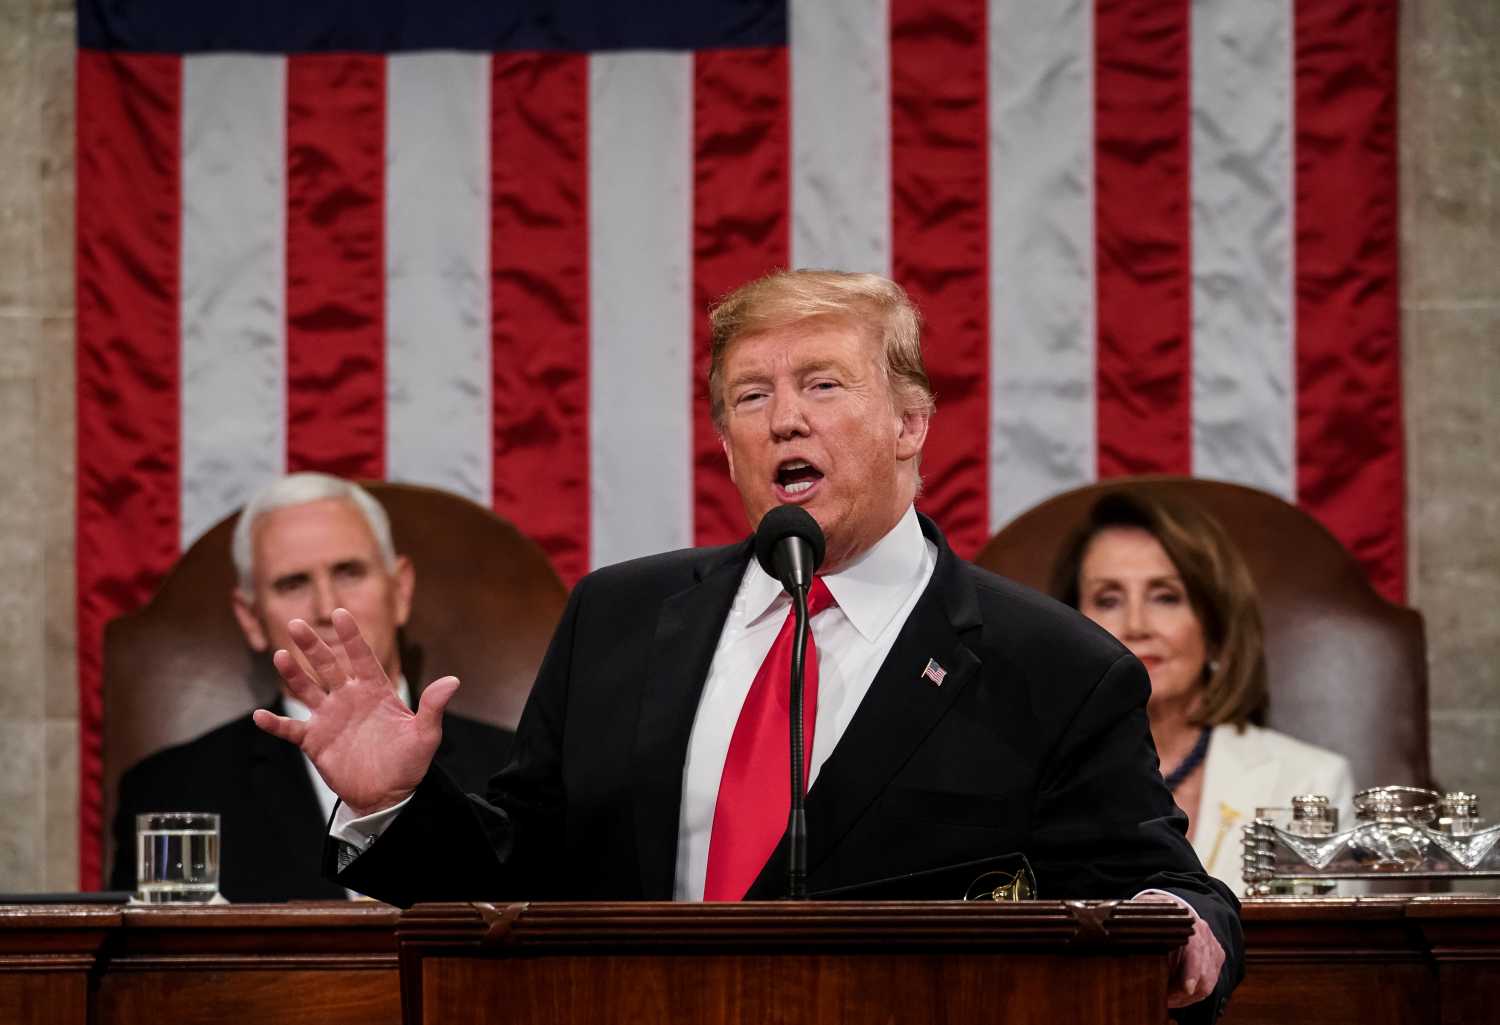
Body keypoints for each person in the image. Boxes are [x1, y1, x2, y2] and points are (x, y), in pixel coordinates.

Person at [255, 271, 1241, 1017]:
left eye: (822, 383)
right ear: (727, 440)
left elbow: (1169, 889)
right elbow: (517, 880)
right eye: (752, 396)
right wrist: (393, 801)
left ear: (910, 422)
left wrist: (1183, 931)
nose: (786, 419)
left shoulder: (1052, 667)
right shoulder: (618, 619)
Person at [110, 473, 515, 901]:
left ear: (400, 589)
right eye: (293, 583)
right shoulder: (170, 791)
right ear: (251, 618)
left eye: (349, 572)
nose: (327, 607)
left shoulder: (514, 771)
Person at [1049, 489, 1358, 897]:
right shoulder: (1025, 783)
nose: (1137, 625)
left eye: (1165, 597)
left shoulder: (1310, 782)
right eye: (1108, 599)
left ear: (1215, 630)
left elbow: (1339, 954)